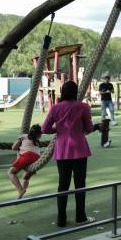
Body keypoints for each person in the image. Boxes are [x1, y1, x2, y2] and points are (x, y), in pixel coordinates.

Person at [42, 81, 95, 227]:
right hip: (79, 150)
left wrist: (59, 129)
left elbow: (44, 129)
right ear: (76, 92)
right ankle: (81, 217)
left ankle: (61, 220)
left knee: (63, 185)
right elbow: (89, 128)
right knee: (80, 184)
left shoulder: (55, 108)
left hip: (62, 150)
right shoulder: (83, 107)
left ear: (62, 91)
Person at [7, 124, 42, 199]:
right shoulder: (37, 142)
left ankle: (20, 189)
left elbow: (13, 148)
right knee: (26, 178)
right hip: (37, 159)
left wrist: (19, 143)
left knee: (11, 172)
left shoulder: (24, 136)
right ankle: (20, 195)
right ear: (39, 135)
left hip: (27, 156)